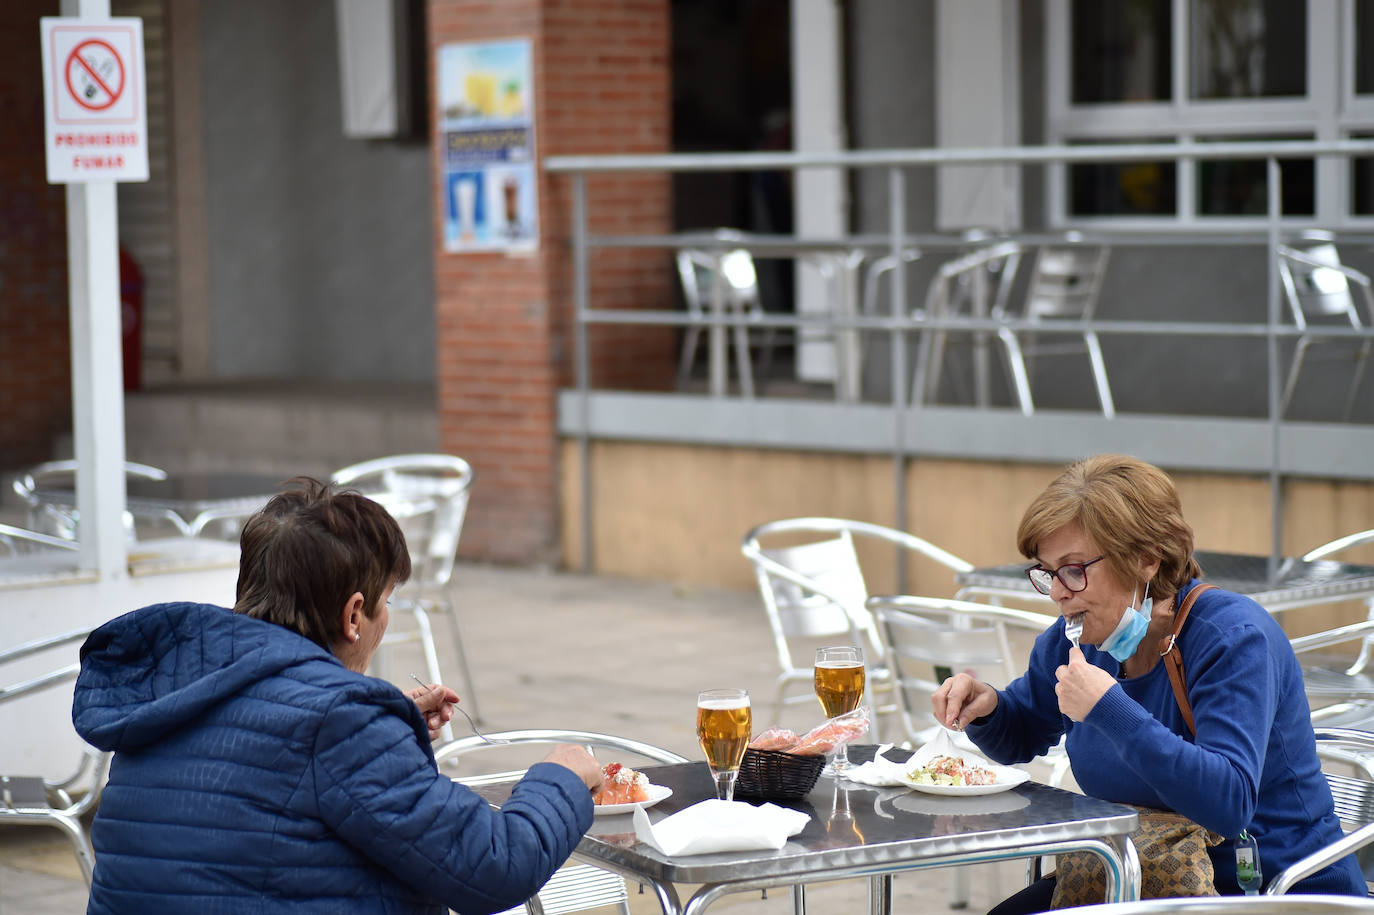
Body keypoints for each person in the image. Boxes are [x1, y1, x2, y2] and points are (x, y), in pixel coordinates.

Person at [73, 478, 603, 914]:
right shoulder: (343, 721)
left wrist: (384, 722)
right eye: (386, 600)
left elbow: (265, 778)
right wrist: (560, 779)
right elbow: (493, 868)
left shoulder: (178, 685)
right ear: (353, 615)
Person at [932, 454, 1364, 912]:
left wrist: (1109, 710)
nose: (1058, 590)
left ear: (1145, 560)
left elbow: (1228, 802)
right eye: (1047, 571)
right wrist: (989, 707)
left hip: (1267, 887)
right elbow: (1022, 733)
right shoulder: (1075, 639)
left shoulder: (1232, 639)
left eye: (1075, 570)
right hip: (1141, 875)